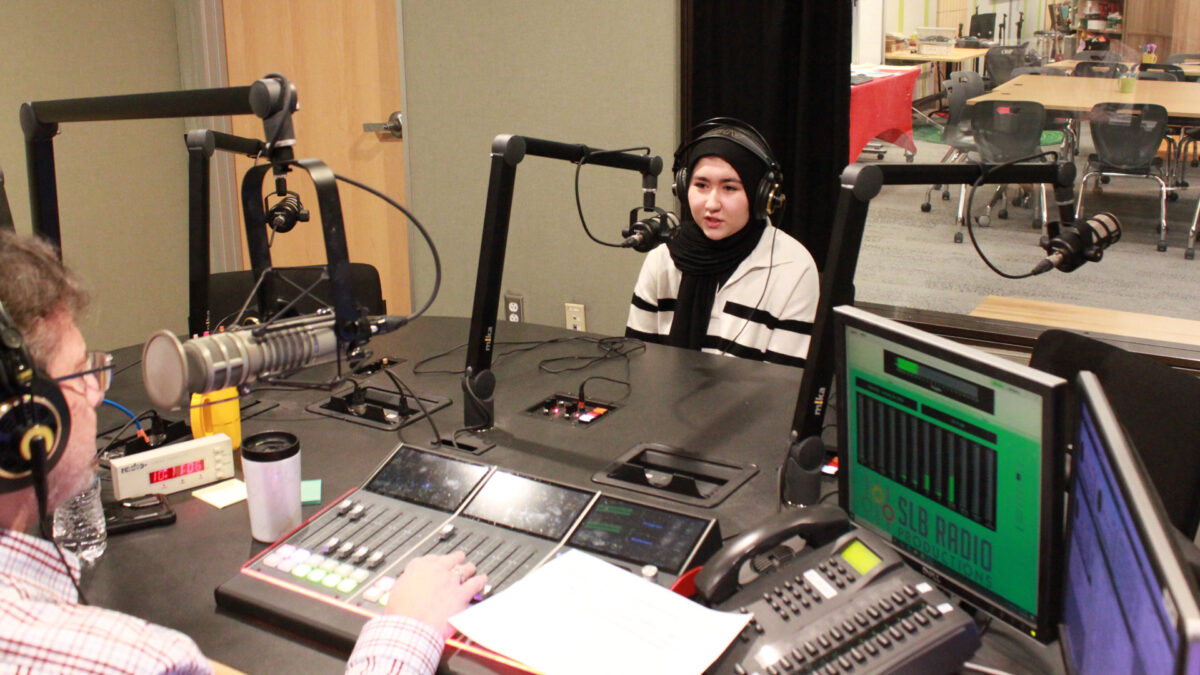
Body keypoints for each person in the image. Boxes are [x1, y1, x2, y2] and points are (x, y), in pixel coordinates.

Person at [0, 229, 485, 674]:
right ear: (24, 425)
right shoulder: (141, 662)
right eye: (82, 373)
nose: (97, 395)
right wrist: (407, 629)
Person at [625, 118, 819, 368]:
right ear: (682, 188)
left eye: (729, 188)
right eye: (701, 185)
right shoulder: (662, 260)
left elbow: (785, 383)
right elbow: (638, 364)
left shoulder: (793, 268)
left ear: (761, 196)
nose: (712, 204)